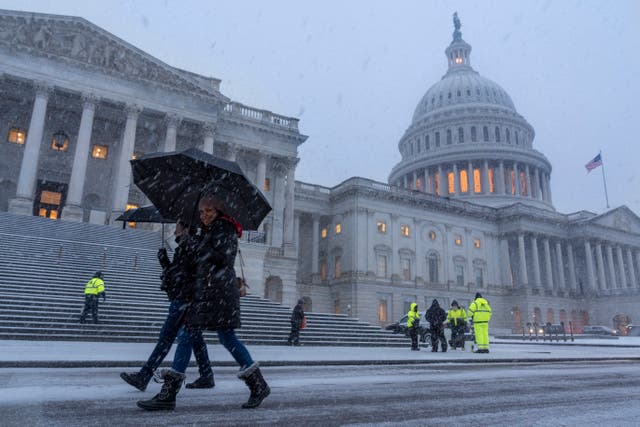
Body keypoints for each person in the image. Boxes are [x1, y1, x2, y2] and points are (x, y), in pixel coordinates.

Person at [137, 194, 270, 411]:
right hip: (210, 292)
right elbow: (204, 259)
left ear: (219, 211)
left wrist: (194, 243)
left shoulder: (224, 229)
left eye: (209, 210)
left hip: (218, 293)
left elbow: (221, 258)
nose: (204, 215)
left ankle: (170, 393)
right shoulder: (212, 231)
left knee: (204, 336)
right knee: (206, 336)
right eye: (201, 212)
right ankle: (258, 385)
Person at [121, 220, 213, 393]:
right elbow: (179, 273)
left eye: (178, 226)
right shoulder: (187, 246)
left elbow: (181, 275)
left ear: (185, 229)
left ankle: (144, 376)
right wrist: (165, 262)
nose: (175, 229)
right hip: (186, 298)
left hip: (184, 299)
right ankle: (207, 374)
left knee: (166, 337)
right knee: (195, 340)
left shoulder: (189, 246)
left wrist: (167, 266)